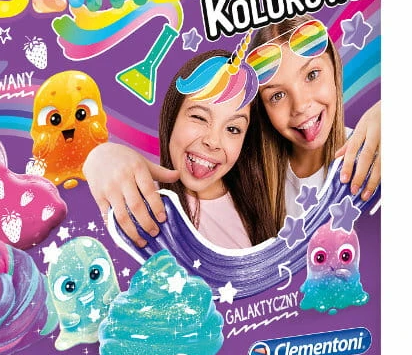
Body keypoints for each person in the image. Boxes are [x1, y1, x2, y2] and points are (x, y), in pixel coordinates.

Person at [84, 50, 277, 249]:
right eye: (199, 117)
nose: (213, 141)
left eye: (233, 129)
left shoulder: (264, 205)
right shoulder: (139, 195)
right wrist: (99, 157)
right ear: (173, 116)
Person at [247, 15, 381, 228]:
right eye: (277, 95)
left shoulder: (375, 153)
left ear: (335, 68)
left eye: (312, 75)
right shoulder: (252, 184)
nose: (300, 106)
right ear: (263, 109)